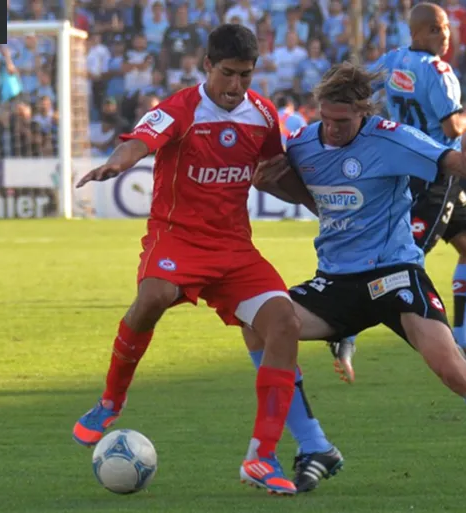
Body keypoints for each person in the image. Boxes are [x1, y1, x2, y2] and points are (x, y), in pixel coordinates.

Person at [249, 61, 466, 495]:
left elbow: (456, 163)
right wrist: (268, 185)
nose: (333, 130)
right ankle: (314, 446)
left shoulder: (391, 138)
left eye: (343, 122)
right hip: (336, 282)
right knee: (258, 323)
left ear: (363, 112)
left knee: (452, 369)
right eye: (326, 119)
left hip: (394, 274)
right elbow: (309, 199)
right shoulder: (304, 144)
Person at [72, 24, 317, 496]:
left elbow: (274, 172)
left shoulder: (263, 115)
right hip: (177, 238)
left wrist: (315, 203)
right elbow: (140, 142)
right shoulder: (180, 108)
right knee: (153, 298)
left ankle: (261, 457)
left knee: (284, 323)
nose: (235, 86)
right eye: (227, 73)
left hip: (234, 249)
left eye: (245, 75)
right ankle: (110, 401)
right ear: (207, 66)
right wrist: (118, 163)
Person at [329, 2, 466, 384]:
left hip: (407, 163)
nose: (444, 35)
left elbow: (361, 88)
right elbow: (453, 129)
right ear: (416, 32)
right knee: (403, 260)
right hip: (437, 171)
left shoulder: (393, 60)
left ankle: (463, 339)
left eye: (445, 27)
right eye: (435, 28)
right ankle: (345, 331)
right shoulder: (439, 72)